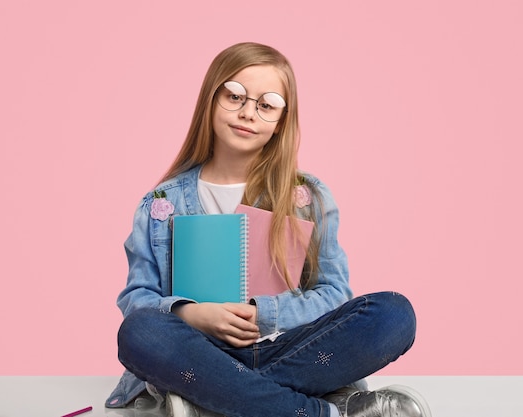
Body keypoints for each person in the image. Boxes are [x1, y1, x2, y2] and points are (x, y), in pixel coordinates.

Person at [106, 42, 432, 417]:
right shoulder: (160, 203)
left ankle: (212, 402)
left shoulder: (307, 196)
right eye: (235, 96)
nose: (247, 113)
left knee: (394, 314)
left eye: (266, 104)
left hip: (290, 348)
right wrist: (192, 315)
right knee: (140, 333)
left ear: (281, 120)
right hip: (199, 351)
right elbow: (137, 299)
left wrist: (265, 313)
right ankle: (323, 411)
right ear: (210, 100)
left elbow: (334, 292)